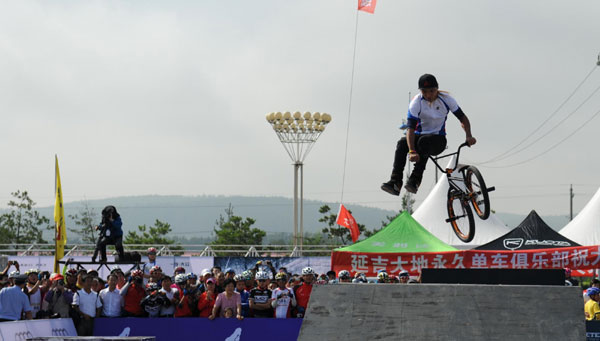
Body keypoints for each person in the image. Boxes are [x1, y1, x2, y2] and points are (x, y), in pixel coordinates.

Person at [381, 73, 476, 196]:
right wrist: (411, 151)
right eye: (425, 92)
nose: (428, 95)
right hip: (419, 136)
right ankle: (395, 182)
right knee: (402, 143)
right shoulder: (416, 102)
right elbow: (410, 128)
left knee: (424, 141)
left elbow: (462, 118)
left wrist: (468, 135)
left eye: (432, 91)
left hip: (438, 140)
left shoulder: (446, 99)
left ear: (437, 89)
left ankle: (415, 179)